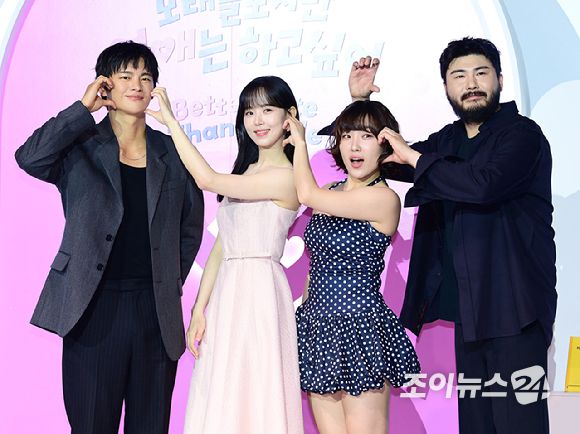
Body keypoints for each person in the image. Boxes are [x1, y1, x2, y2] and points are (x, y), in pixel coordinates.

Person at [351, 37, 556, 434]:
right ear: (446, 86)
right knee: (476, 426)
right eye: (459, 76)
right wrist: (362, 105)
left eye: (481, 73)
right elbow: (383, 158)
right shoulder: (447, 140)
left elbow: (483, 184)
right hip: (470, 314)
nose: (471, 83)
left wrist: (415, 157)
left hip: (517, 311)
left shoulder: (523, 135)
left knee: (521, 424)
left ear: (499, 79)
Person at [14, 41, 205, 434]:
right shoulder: (80, 146)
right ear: (105, 84)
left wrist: (166, 280)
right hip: (92, 308)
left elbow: (190, 227)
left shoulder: (172, 151)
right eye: (126, 75)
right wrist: (82, 110)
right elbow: (29, 157)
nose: (137, 84)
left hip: (155, 312)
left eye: (146, 77)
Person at [146, 76, 303, 434]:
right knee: (221, 387)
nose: (257, 120)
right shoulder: (245, 171)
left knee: (258, 387)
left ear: (289, 117)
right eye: (249, 112)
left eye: (267, 110)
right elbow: (222, 246)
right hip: (227, 292)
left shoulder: (287, 176)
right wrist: (199, 308)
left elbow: (207, 180)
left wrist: (171, 122)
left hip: (261, 291)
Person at [285, 100, 420, 434]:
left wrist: (300, 143)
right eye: (347, 136)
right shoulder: (330, 191)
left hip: (360, 329)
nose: (355, 145)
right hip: (318, 328)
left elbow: (306, 193)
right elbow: (317, 264)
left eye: (366, 136)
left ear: (385, 145)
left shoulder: (384, 198)